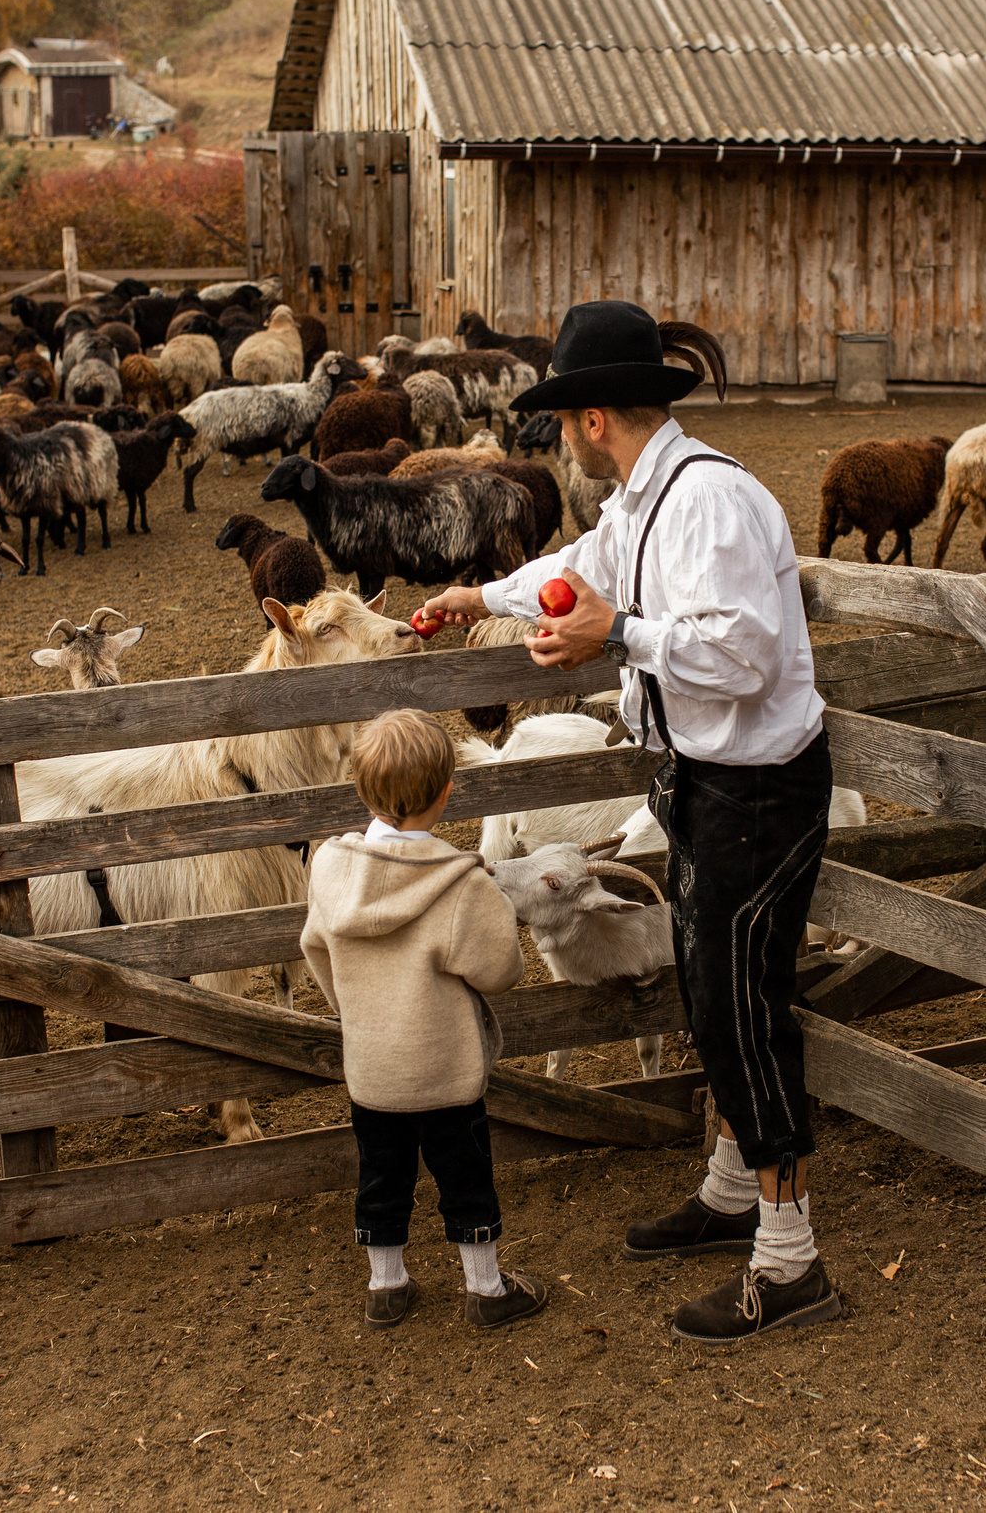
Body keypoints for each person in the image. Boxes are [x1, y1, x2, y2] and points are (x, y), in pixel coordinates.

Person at [415, 301, 842, 1344]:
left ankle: (791, 1264)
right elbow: (582, 571)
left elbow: (742, 656)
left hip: (756, 786)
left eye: (566, 417)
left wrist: (622, 637)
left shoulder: (712, 504)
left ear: (592, 416)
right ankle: (732, 1196)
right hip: (703, 779)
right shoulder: (642, 504)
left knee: (743, 1008)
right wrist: (484, 596)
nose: (561, 434)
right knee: (712, 997)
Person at [299, 708, 547, 1331]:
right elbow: (500, 970)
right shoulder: (460, 886)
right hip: (445, 1068)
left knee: (381, 1174)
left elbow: (315, 947)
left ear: (359, 789)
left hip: (373, 1068)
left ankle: (387, 1285)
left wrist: (355, 1007)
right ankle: (485, 1289)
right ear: (446, 793)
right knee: (464, 1174)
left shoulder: (329, 869)